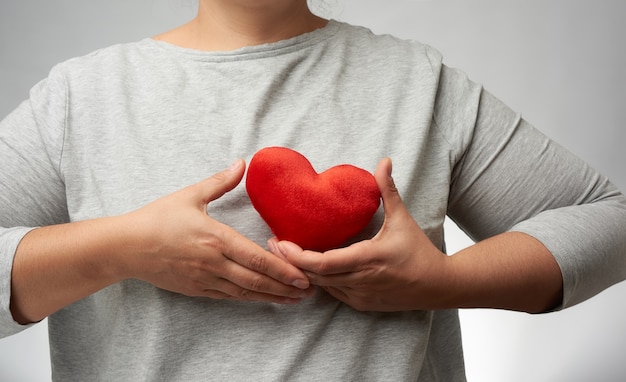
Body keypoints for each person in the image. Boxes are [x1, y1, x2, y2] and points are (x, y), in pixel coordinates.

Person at [1, 0, 625, 380]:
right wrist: (114, 251)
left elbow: (611, 220)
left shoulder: (419, 83)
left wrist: (445, 281)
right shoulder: (82, 98)